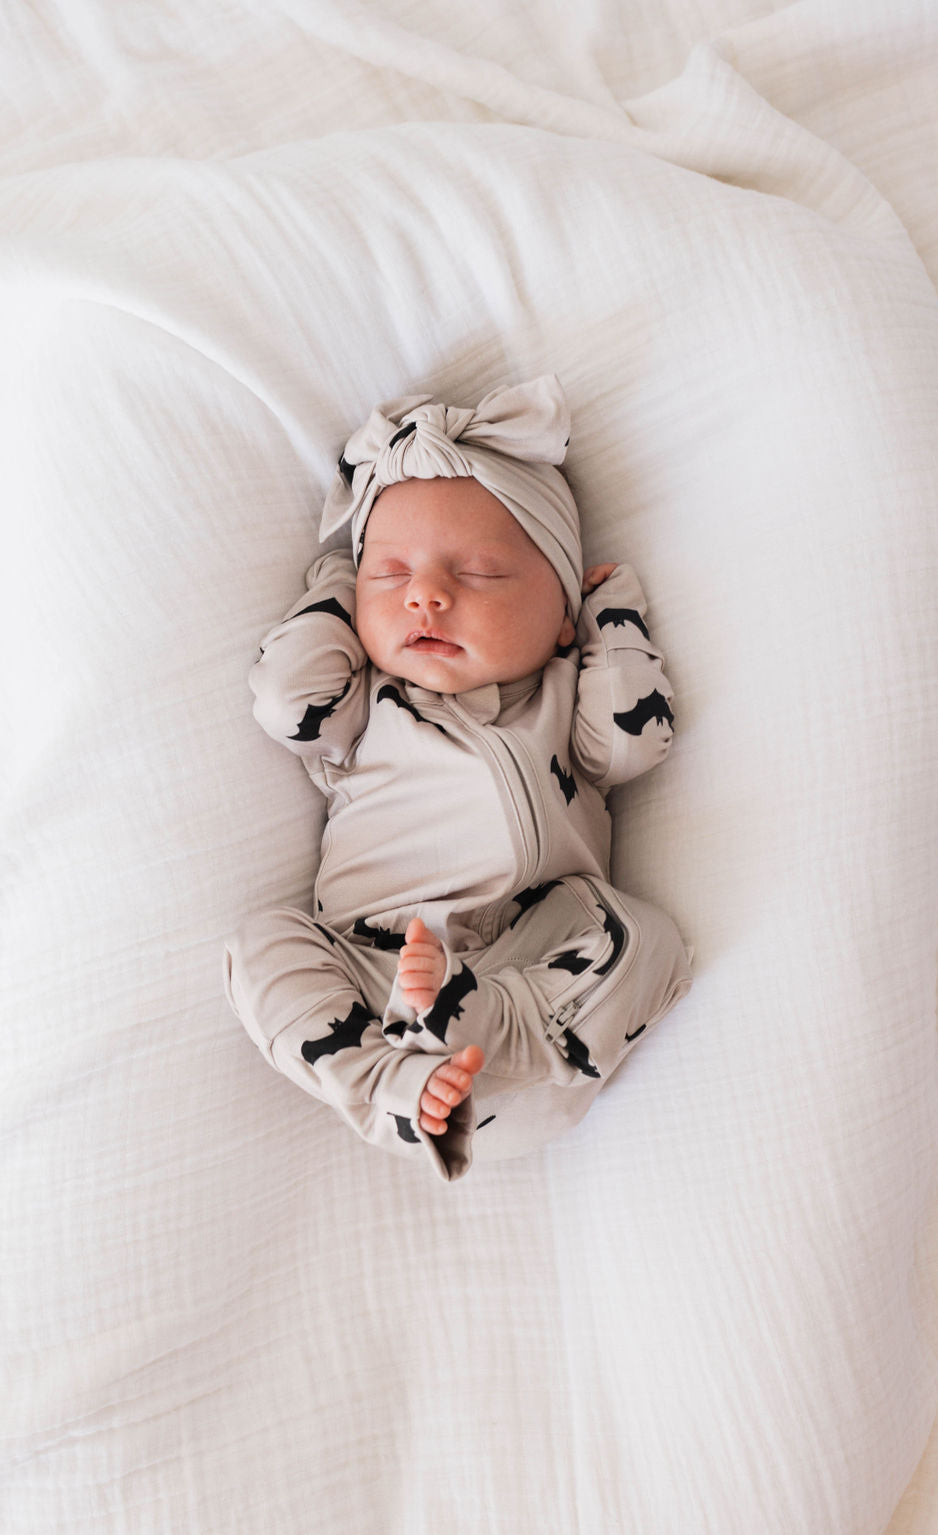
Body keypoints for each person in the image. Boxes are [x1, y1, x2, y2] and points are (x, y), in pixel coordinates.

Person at [224, 375, 692, 1181]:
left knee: (654, 939)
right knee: (260, 950)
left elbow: (632, 740)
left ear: (558, 620)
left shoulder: (559, 699)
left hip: (539, 971)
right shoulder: (364, 711)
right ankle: (388, 1088)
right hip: (376, 970)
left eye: (478, 574)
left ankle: (483, 1021)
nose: (427, 595)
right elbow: (283, 697)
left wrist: (612, 618)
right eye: (391, 573)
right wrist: (342, 583)